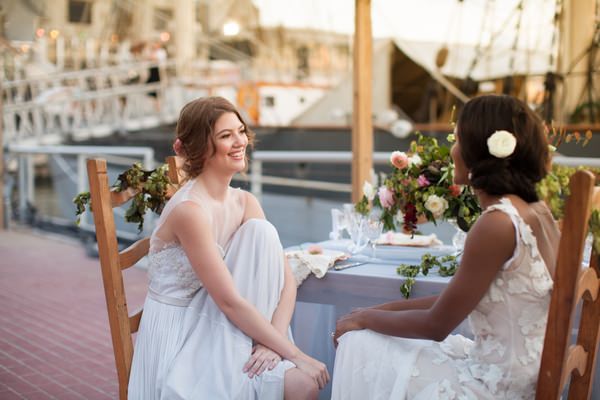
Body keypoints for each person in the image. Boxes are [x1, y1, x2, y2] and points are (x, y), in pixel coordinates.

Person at [331, 94, 560, 399]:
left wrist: (362, 319)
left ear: (479, 150)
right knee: (371, 331)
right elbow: (459, 299)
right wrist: (376, 310)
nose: (453, 148)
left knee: (359, 341)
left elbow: (436, 325)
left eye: (459, 138)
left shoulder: (497, 223)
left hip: (498, 388)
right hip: (521, 376)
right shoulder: (537, 211)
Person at [128, 96, 329, 400]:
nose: (240, 142)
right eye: (225, 136)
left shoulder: (245, 202)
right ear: (197, 148)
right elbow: (229, 301)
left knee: (261, 231)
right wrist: (298, 355)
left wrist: (270, 343)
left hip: (220, 323)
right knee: (298, 378)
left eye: (241, 131)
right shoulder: (190, 211)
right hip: (180, 333)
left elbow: (286, 281)